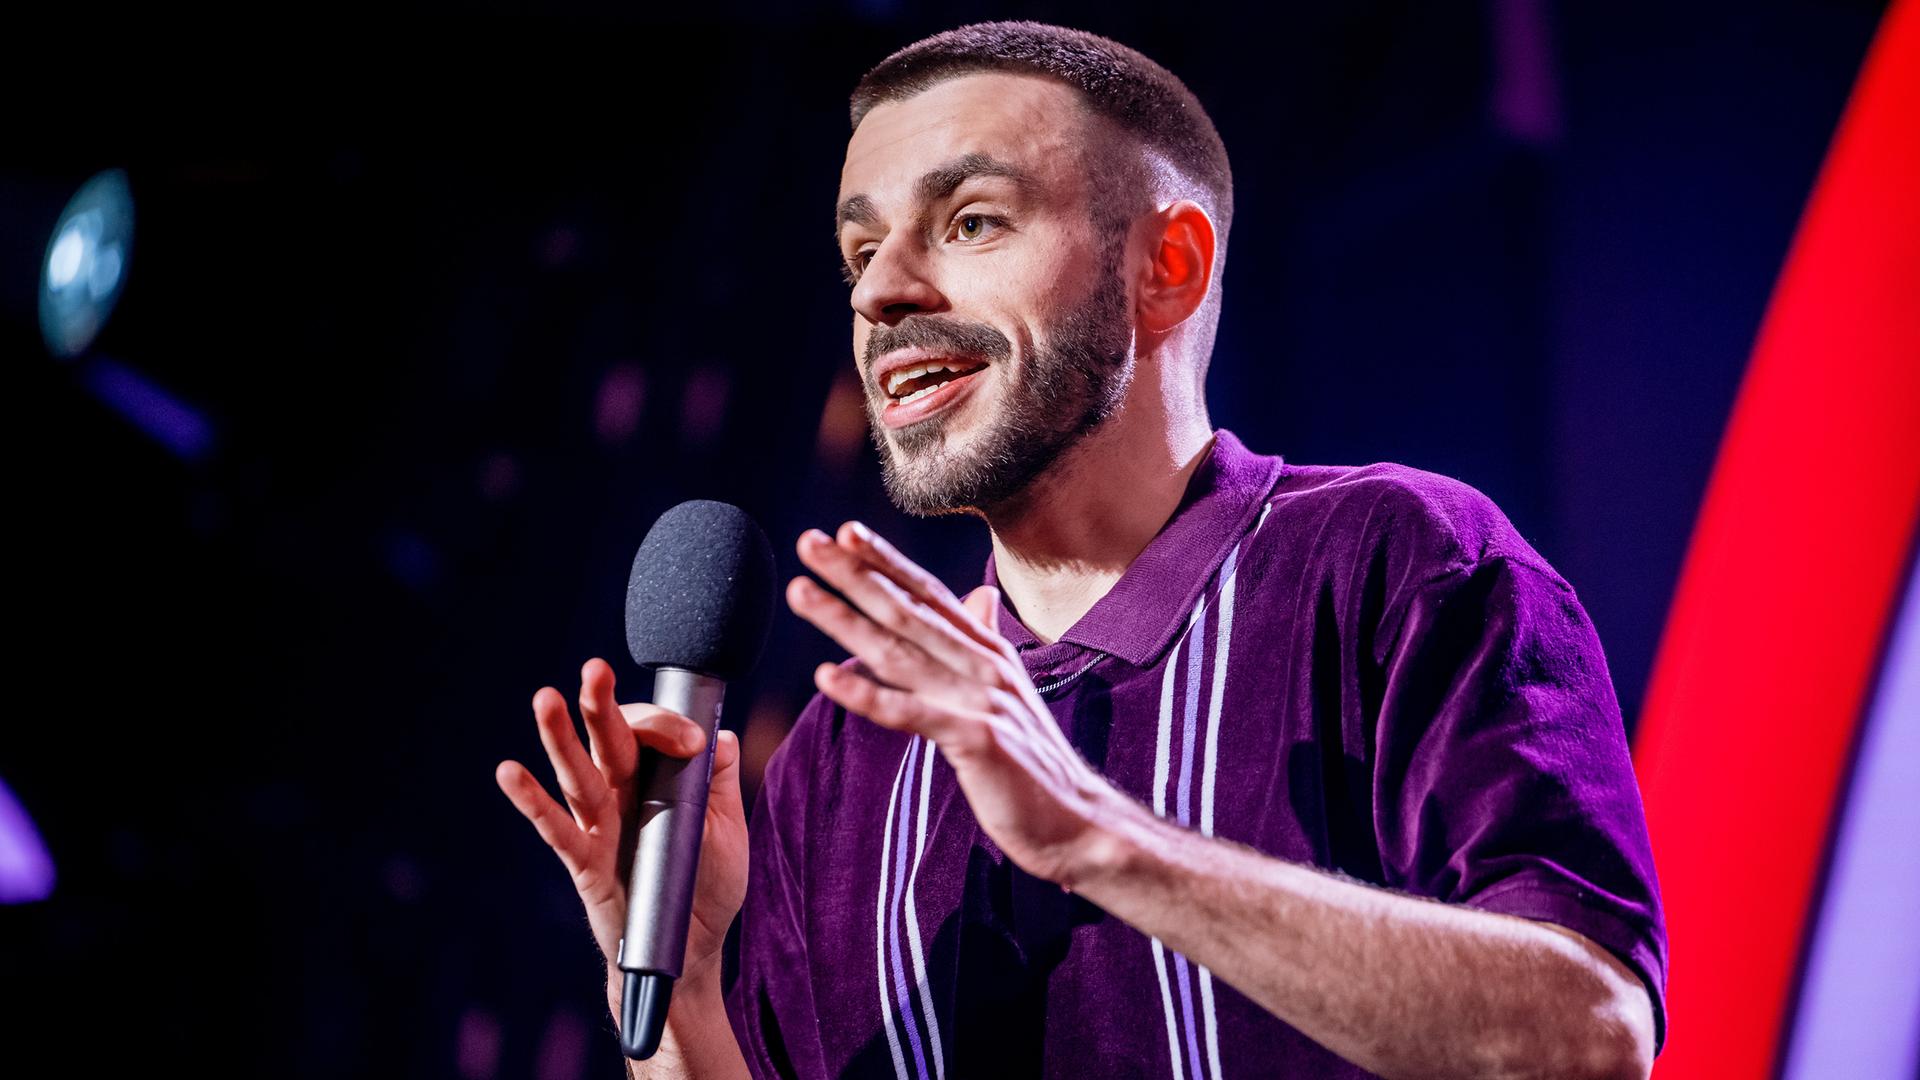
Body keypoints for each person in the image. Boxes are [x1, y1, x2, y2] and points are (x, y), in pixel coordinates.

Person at [496, 21, 1667, 1080]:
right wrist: (687, 992)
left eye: (970, 222)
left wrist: (1093, 835)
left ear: (1168, 268)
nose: (881, 292)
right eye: (860, 253)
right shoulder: (846, 748)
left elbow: (1591, 1039)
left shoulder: (1396, 563)